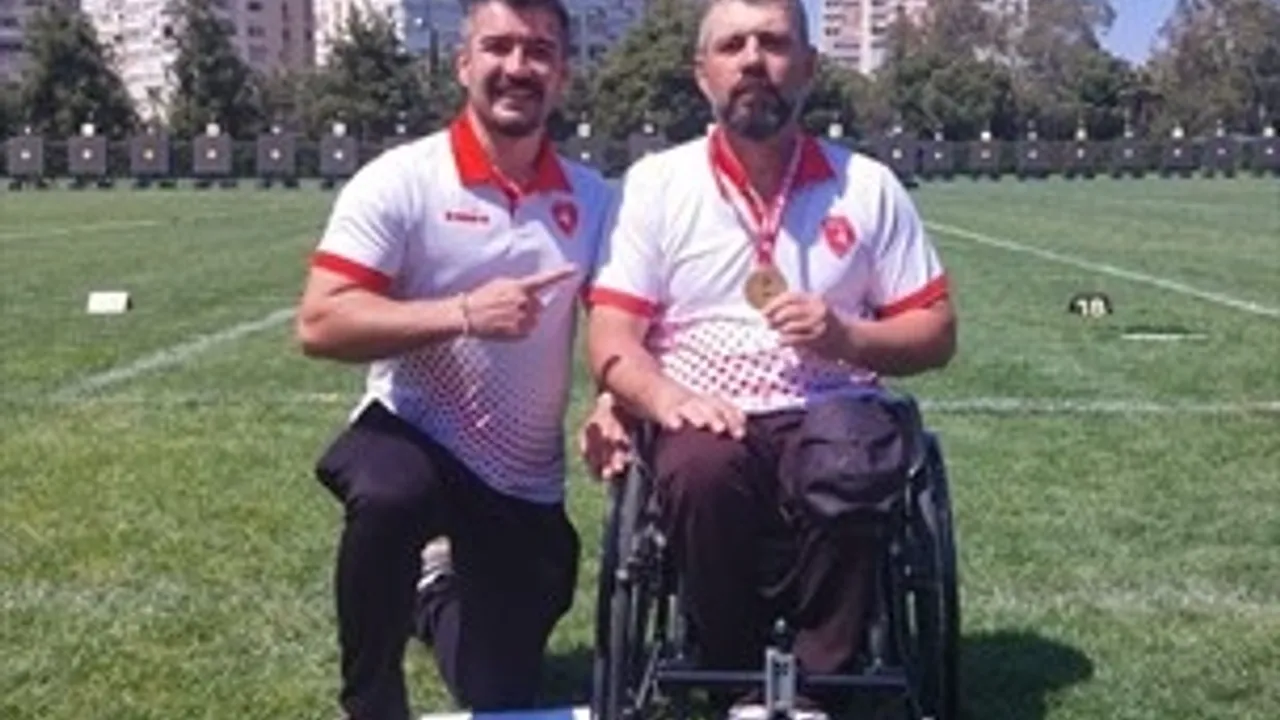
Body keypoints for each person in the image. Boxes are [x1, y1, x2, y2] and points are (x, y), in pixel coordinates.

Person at [583, 0, 958, 716]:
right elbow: (610, 336)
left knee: (851, 459)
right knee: (698, 467)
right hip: (704, 402)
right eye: (732, 45)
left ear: (809, 67)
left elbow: (937, 331)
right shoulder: (657, 185)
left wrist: (848, 337)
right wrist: (664, 400)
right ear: (702, 73)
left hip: (834, 400)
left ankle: (816, 683)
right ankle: (738, 679)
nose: (753, 59)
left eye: (774, 43)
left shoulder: (867, 185)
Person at [294, 0, 616, 716]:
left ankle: (433, 588)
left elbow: (617, 326)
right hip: (413, 433)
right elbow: (319, 322)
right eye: (498, 47)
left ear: (563, 75)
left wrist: (609, 401)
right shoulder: (401, 179)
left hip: (520, 477)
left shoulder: (596, 200)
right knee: (390, 495)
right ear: (463, 63)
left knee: (500, 689)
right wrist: (463, 314)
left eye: (539, 51)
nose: (517, 66)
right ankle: (372, 702)